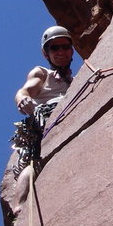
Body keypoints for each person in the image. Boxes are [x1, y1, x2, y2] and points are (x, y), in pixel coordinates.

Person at [10, 25, 74, 214]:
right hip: (46, 116)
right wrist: (22, 98)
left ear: (71, 50)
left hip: (71, 111)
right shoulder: (43, 73)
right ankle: (19, 207)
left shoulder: (78, 79)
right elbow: (26, 90)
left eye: (64, 46)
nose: (60, 51)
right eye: (54, 48)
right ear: (46, 54)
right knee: (34, 162)